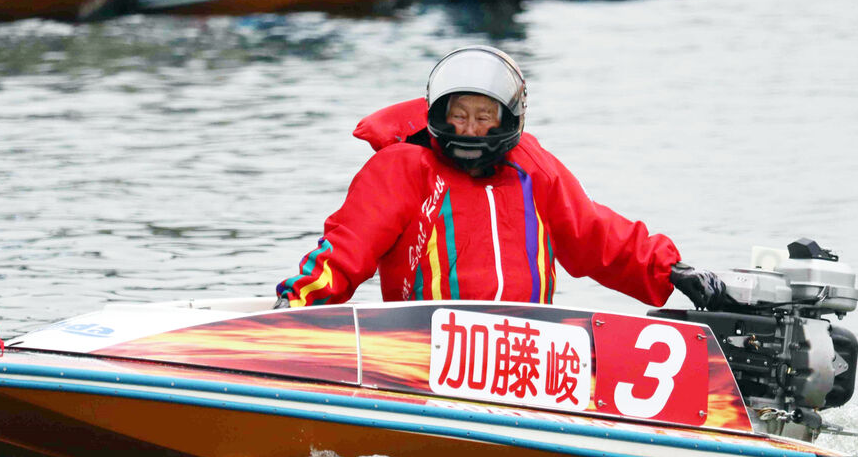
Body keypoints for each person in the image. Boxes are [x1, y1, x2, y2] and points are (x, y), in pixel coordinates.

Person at [275, 45, 732, 311]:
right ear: (439, 114)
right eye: (459, 115)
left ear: (508, 117)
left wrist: (670, 270)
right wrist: (295, 304)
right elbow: (346, 249)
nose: (470, 129)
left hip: (526, 356)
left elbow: (593, 233)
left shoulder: (531, 167)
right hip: (422, 352)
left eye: (483, 117)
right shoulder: (404, 168)